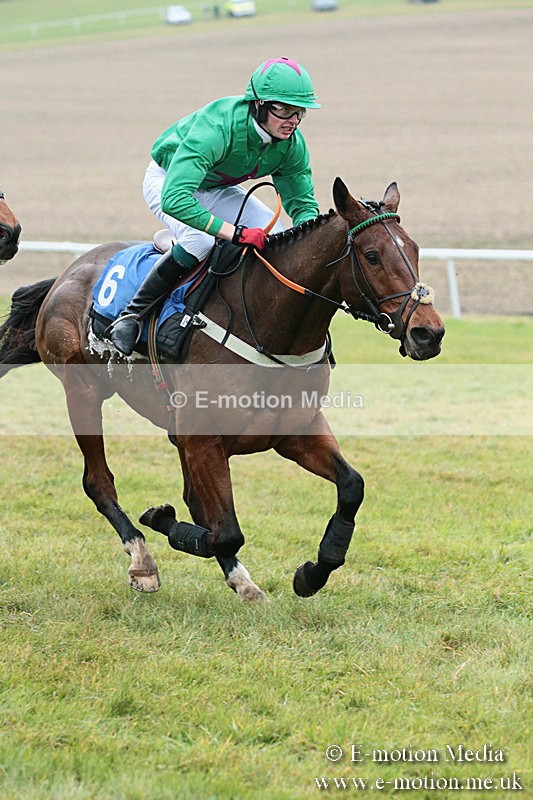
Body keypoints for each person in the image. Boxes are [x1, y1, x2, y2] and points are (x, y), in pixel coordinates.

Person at [107, 56, 321, 356]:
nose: (293, 121)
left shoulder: (291, 145)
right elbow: (176, 198)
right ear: (258, 105)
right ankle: (131, 316)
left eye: (299, 112)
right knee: (200, 240)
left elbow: (302, 206)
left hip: (217, 187)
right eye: (283, 110)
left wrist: (310, 248)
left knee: (279, 238)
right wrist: (235, 233)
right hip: (169, 181)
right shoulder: (217, 128)